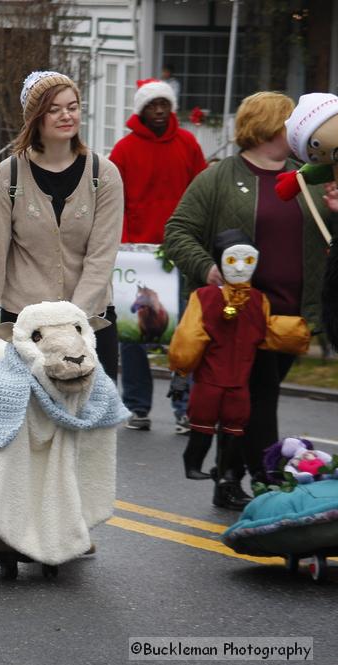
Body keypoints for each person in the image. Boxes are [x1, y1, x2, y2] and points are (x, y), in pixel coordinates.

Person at [163, 90, 338, 485]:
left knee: (251, 400)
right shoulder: (219, 177)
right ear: (265, 128)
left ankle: (228, 479)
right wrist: (208, 270)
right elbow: (177, 231)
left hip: (293, 315)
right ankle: (267, 479)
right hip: (239, 314)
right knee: (260, 400)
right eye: (288, 121)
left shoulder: (306, 177)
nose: (297, 129)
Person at [0, 71, 124, 383]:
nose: (66, 115)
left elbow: (101, 258)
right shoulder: (8, 176)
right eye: (54, 109)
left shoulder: (105, 175)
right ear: (35, 116)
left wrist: (71, 321)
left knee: (92, 426)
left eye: (72, 106)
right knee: (28, 427)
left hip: (89, 323)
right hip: (27, 327)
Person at [168, 234, 309, 508]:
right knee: (202, 425)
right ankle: (193, 463)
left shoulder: (258, 300)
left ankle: (224, 474)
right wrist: (181, 371)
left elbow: (267, 330)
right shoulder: (205, 297)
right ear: (220, 262)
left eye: (248, 260)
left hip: (239, 382)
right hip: (211, 380)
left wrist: (297, 333)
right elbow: (189, 337)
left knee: (235, 430)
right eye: (233, 260)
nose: (241, 267)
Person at [109, 78, 206, 433]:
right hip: (138, 255)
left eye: (165, 104)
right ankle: (138, 407)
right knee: (132, 334)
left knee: (185, 332)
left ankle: (185, 407)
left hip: (181, 250)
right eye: (153, 105)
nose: (161, 111)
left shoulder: (188, 144)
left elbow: (202, 192)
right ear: (142, 111)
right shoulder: (123, 150)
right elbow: (110, 201)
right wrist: (117, 246)